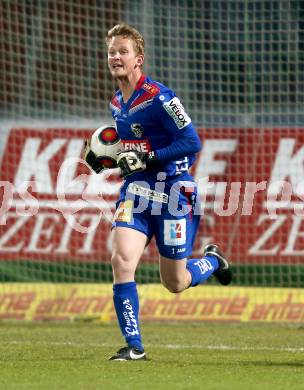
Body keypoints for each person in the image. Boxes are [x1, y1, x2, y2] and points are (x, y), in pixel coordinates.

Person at [83, 23, 232, 361]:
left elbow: (191, 142)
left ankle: (212, 260)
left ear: (139, 59)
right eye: (111, 52)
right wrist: (110, 160)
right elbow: (134, 148)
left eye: (123, 51)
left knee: (175, 283)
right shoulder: (117, 101)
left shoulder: (161, 97)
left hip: (174, 193)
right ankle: (134, 346)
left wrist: (148, 157)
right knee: (121, 261)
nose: (115, 57)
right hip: (136, 191)